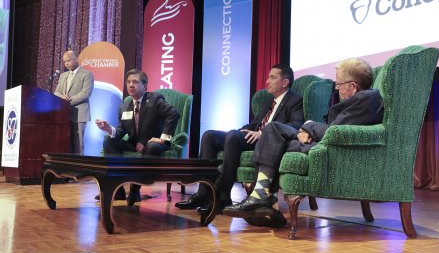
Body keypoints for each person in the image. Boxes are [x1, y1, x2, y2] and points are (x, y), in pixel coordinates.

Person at [223, 58, 384, 228]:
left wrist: (308, 126)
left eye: (339, 85)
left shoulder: (367, 98)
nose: (337, 90)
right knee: (272, 130)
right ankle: (264, 197)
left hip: (329, 150)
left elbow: (335, 131)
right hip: (324, 143)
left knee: (274, 134)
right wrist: (306, 130)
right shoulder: (362, 99)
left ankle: (262, 196)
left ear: (352, 86)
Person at [175, 64, 304, 213]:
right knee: (209, 135)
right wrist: (242, 130)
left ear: (285, 82)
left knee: (233, 136)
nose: (267, 81)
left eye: (272, 77)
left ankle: (223, 197)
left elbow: (295, 125)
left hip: (269, 142)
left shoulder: (295, 100)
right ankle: (204, 193)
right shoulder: (269, 100)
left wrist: (262, 133)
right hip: (252, 137)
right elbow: (255, 123)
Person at [95, 69, 180, 203]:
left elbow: (173, 114)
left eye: (135, 82)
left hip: (154, 143)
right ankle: (117, 190)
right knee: (109, 141)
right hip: (135, 143)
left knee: (152, 146)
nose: (131, 85)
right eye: (128, 82)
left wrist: (164, 138)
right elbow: (122, 131)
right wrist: (108, 129)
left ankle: (135, 190)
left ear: (145, 86)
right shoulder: (124, 106)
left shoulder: (155, 99)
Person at [54, 50, 94, 155]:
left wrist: (67, 102)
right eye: (64, 61)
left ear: (76, 59)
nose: (66, 63)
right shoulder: (63, 75)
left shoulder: (87, 74)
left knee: (78, 146)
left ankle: (79, 170)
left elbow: (85, 93)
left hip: (79, 115)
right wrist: (62, 97)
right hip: (64, 116)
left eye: (68, 61)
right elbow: (56, 92)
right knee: (65, 145)